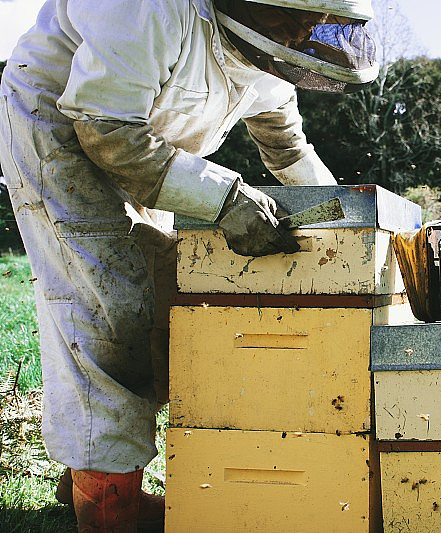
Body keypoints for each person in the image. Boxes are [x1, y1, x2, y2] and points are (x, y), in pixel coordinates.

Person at [0, 0, 376, 530]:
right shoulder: (148, 9)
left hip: (145, 148)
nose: (304, 31)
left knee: (164, 300)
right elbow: (105, 130)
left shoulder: (273, 55)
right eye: (293, 15)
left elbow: (288, 151)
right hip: (60, 129)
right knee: (112, 312)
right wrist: (225, 199)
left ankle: (90, 477)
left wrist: (350, 224)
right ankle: (108, 507)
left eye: (316, 20)